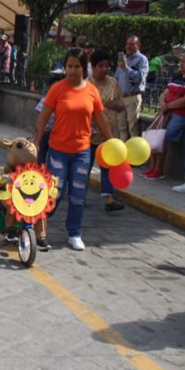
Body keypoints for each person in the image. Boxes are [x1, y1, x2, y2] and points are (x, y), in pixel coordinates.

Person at [33, 48, 115, 251]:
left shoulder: (91, 91)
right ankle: (38, 227)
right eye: (69, 66)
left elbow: (100, 119)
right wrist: (36, 139)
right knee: (54, 193)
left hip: (82, 153)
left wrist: (111, 141)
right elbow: (43, 116)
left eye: (76, 66)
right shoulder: (57, 89)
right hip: (58, 151)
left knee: (78, 195)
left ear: (83, 67)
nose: (72, 70)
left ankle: (74, 233)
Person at [88, 50, 126, 211]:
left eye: (106, 66)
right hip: (89, 134)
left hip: (109, 134)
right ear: (93, 67)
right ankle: (78, 195)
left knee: (108, 167)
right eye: (100, 66)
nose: (104, 69)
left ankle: (109, 198)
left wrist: (110, 104)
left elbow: (121, 104)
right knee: (85, 166)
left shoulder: (113, 83)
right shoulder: (87, 84)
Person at [143, 52, 185, 188]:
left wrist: (168, 106)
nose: (182, 64)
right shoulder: (177, 76)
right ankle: (152, 166)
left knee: (163, 136)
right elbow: (164, 92)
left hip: (179, 113)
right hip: (165, 111)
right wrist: (163, 103)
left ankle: (159, 169)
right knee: (153, 134)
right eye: (182, 61)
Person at [0, 138, 50, 250]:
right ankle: (11, 229)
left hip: (28, 198)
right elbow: (1, 181)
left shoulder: (32, 171)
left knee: (40, 210)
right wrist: (4, 180)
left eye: (10, 153)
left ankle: (41, 236)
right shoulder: (9, 168)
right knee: (11, 206)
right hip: (12, 196)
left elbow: (39, 180)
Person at [115, 35, 148, 140]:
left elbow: (139, 77)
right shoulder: (123, 59)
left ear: (138, 45)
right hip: (121, 97)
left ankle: (135, 155)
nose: (128, 46)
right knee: (122, 128)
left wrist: (125, 68)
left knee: (132, 128)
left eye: (132, 44)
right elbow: (116, 78)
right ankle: (121, 154)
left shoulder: (142, 59)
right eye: (127, 44)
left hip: (132, 97)